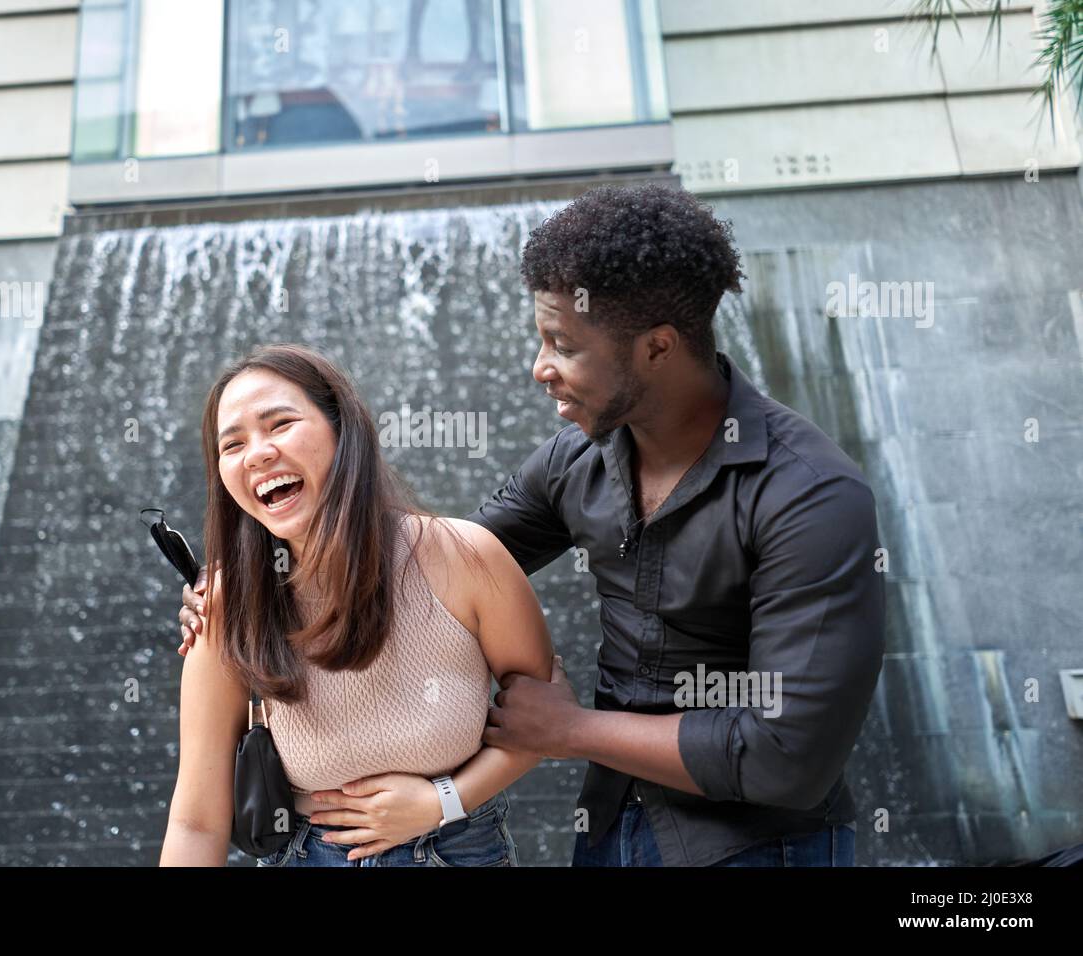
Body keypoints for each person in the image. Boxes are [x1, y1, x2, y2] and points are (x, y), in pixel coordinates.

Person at [179, 184, 886, 867]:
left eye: (563, 344)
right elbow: (426, 568)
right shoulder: (575, 461)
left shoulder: (809, 495)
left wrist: (567, 731)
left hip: (763, 844)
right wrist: (260, 581)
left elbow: (787, 756)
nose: (539, 367)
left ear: (658, 347)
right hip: (614, 826)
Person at [160, 344, 554, 867]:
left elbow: (549, 721)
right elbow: (196, 821)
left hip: (455, 848)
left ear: (342, 429)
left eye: (279, 424)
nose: (257, 452)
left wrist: (442, 802)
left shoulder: (465, 557)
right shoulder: (229, 604)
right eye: (232, 445)